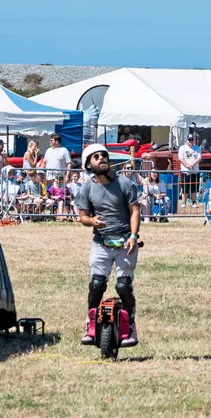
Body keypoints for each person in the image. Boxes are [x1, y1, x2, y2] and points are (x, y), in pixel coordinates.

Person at [77, 144, 142, 348]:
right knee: (96, 285)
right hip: (101, 244)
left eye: (104, 155)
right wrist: (92, 222)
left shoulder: (125, 184)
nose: (101, 158)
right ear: (88, 164)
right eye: (96, 157)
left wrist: (133, 236)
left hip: (125, 243)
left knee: (123, 286)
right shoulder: (87, 188)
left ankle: (130, 326)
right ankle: (91, 325)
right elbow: (82, 217)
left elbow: (135, 211)